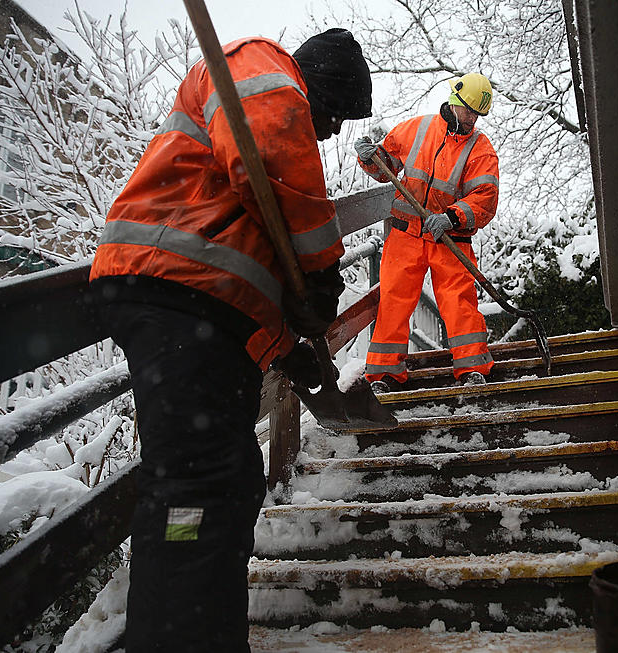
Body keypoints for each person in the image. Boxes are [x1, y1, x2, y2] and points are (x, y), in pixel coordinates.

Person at [88, 29, 372, 652]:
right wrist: (323, 266)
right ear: (313, 83)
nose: (325, 134)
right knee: (198, 486)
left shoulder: (239, 207)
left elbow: (246, 262)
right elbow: (271, 150)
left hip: (199, 306)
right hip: (172, 289)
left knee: (227, 479)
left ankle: (202, 634)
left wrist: (291, 347)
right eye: (328, 117)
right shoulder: (260, 66)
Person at [354, 72, 500, 393]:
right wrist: (370, 159)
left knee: (459, 303)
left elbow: (485, 200)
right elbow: (385, 167)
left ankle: (473, 368)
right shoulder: (418, 129)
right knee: (393, 301)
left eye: (478, 115)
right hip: (406, 235)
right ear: (455, 102)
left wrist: (452, 217)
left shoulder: (481, 150)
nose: (473, 119)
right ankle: (383, 374)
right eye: (470, 111)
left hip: (449, 239)